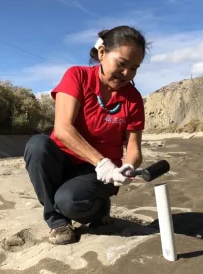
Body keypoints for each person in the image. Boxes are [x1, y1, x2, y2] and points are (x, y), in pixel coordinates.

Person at [24, 25, 148, 245]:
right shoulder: (77, 76)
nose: (127, 73)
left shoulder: (134, 99)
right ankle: (57, 222)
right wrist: (101, 162)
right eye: (121, 64)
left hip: (99, 174)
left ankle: (99, 210)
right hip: (68, 161)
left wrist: (126, 168)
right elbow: (62, 129)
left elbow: (134, 148)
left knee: (69, 201)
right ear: (102, 54)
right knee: (37, 146)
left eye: (134, 68)